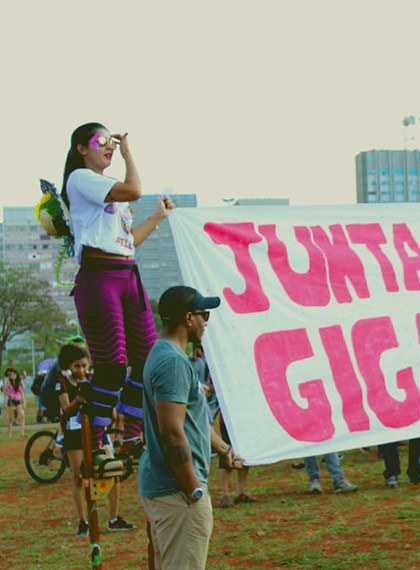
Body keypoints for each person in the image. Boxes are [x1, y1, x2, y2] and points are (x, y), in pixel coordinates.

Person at [60, 122, 174, 463]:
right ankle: (95, 443)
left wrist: (157, 217)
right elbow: (134, 189)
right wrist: (128, 153)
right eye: (101, 141)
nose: (109, 147)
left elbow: (128, 240)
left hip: (127, 274)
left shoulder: (109, 193)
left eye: (112, 142)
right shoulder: (81, 179)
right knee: (112, 367)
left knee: (147, 362)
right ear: (81, 148)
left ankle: (130, 436)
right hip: (99, 277)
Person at [139, 286, 239, 569]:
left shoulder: (164, 354)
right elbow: (171, 431)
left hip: (166, 486)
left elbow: (190, 420)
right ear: (187, 318)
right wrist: (193, 489)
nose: (205, 320)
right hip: (178, 491)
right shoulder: (173, 362)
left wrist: (224, 449)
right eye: (202, 313)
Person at [57, 343, 134, 536]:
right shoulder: (63, 383)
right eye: (77, 366)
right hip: (75, 434)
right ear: (69, 366)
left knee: (113, 470)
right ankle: (83, 521)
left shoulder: (94, 380)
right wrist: (79, 399)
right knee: (78, 477)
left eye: (84, 365)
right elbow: (66, 410)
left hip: (98, 432)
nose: (81, 370)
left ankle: (114, 519)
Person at [4, 368, 25, 436]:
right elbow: (4, 391)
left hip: (18, 400)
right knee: (11, 418)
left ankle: (22, 432)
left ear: (16, 375)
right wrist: (9, 395)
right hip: (11, 401)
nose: (12, 375)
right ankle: (9, 432)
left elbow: (22, 392)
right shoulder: (9, 382)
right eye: (11, 374)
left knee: (22, 416)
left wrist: (23, 401)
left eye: (13, 374)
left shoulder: (19, 382)